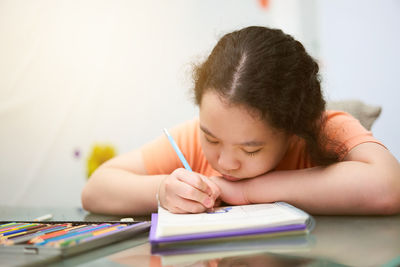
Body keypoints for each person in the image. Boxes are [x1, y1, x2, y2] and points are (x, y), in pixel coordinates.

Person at [81, 26, 400, 215]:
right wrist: (163, 190)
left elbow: (389, 187)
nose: (225, 162)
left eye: (250, 150)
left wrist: (249, 191)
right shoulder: (194, 138)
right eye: (212, 139)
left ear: (293, 129)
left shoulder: (323, 128)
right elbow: (96, 190)